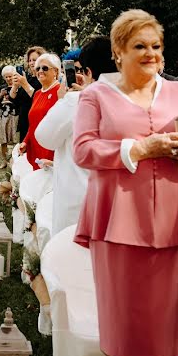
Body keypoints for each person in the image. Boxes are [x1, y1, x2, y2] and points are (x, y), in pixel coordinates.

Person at [73, 9, 178, 356]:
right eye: (140, 45)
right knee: (124, 327)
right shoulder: (96, 96)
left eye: (156, 45)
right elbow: (82, 149)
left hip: (176, 221)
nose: (151, 53)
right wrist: (138, 148)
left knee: (169, 329)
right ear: (118, 52)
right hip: (118, 221)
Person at [34, 36, 116, 237]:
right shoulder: (134, 99)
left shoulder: (75, 101)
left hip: (79, 199)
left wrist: (63, 100)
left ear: (88, 71)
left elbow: (44, 136)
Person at [16, 52, 64, 170]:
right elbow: (33, 124)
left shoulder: (60, 92)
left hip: (51, 152)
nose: (40, 71)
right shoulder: (37, 93)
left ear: (56, 72)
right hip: (36, 149)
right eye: (38, 68)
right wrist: (25, 142)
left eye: (45, 68)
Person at [11, 46, 45, 140]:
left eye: (34, 60)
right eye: (29, 60)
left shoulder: (44, 80)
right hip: (24, 122)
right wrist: (15, 86)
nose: (31, 63)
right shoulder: (28, 79)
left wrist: (25, 84)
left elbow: (39, 98)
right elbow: (15, 102)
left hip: (37, 124)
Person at [0, 66, 19, 162]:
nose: (8, 79)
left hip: (14, 115)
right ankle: (4, 161)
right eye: (6, 77)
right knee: (3, 140)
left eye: (10, 76)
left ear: (14, 76)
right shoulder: (2, 88)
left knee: (14, 140)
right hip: (2, 116)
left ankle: (14, 161)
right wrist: (0, 95)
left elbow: (19, 101)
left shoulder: (18, 87)